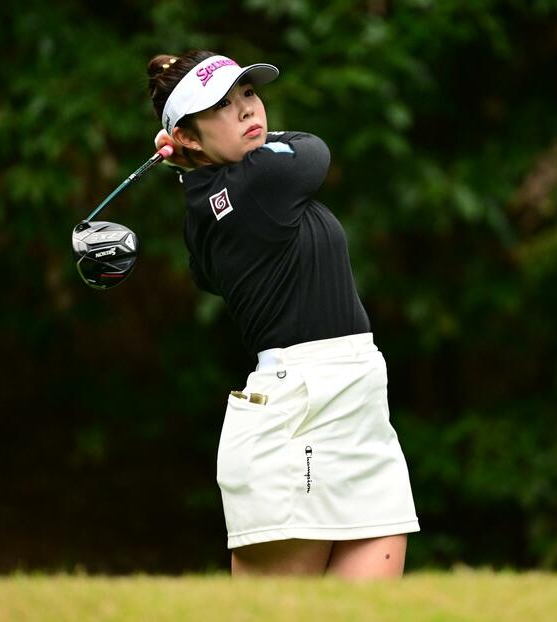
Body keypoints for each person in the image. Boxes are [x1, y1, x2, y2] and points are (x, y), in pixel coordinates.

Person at [146, 50, 419, 579]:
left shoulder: (208, 200)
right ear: (188, 136)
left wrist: (193, 167)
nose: (248, 110)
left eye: (248, 94)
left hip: (357, 401)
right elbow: (313, 149)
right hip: (299, 410)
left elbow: (204, 270)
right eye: (222, 106)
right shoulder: (263, 179)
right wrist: (203, 166)